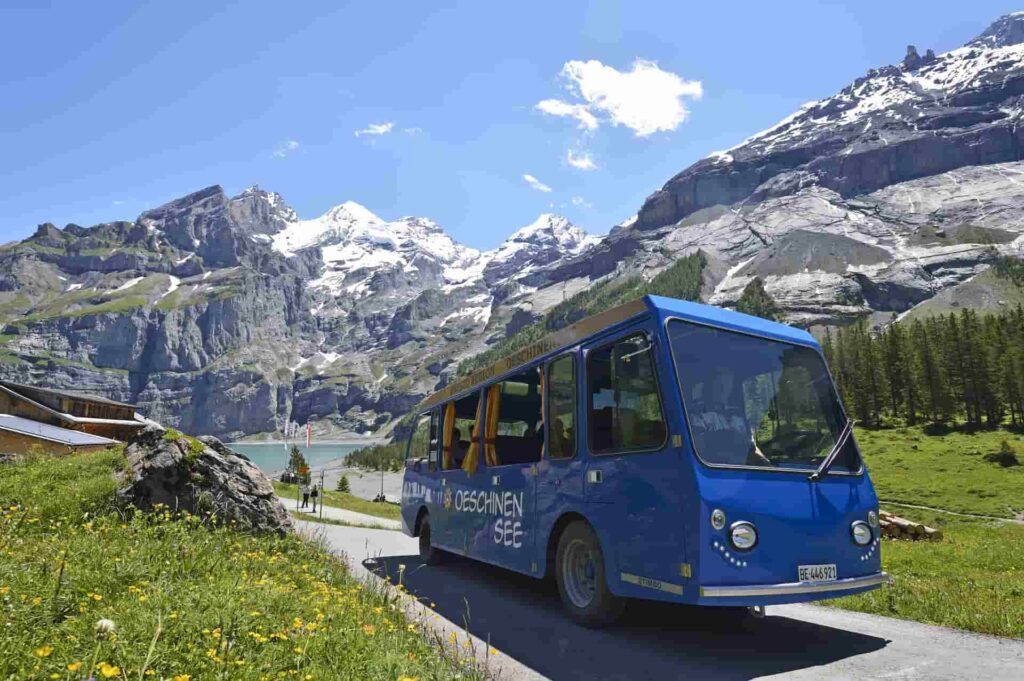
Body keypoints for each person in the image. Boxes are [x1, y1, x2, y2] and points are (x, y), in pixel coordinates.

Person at [691, 368, 771, 466]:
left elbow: (752, 446)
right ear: (710, 385)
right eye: (719, 384)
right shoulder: (698, 414)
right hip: (713, 469)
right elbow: (698, 446)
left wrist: (767, 464)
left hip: (742, 468)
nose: (724, 389)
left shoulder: (738, 415)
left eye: (728, 384)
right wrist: (726, 437)